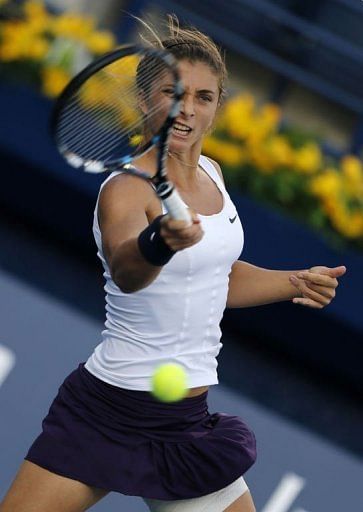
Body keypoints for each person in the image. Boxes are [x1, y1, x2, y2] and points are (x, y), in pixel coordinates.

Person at [0, 15, 346, 512]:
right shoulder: (125, 189)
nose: (187, 110)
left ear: (217, 108)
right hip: (107, 411)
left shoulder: (213, 173)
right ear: (145, 101)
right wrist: (159, 243)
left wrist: (291, 281)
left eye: (203, 98)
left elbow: (215, 280)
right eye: (173, 93)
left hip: (183, 424)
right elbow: (127, 268)